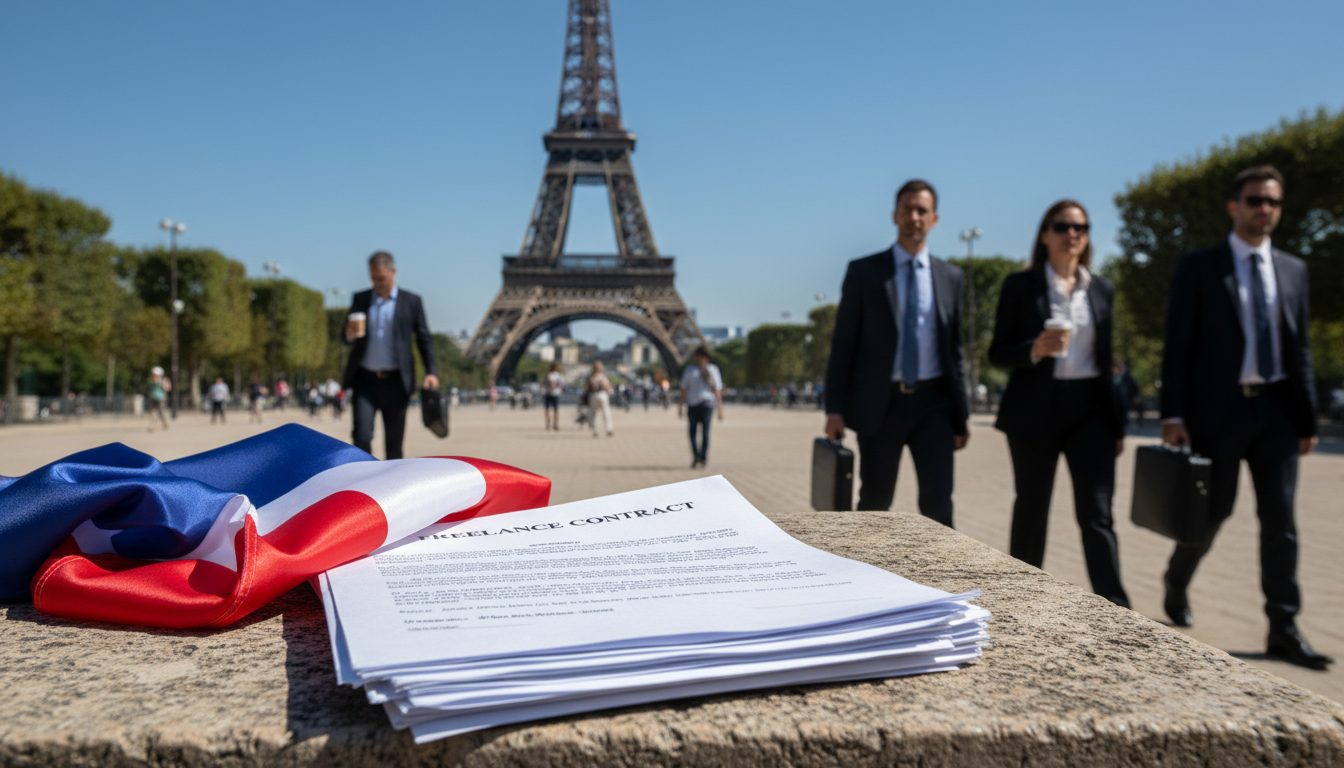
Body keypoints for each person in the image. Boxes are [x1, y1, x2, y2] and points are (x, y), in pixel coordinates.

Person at [1159, 165, 1331, 669]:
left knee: (1281, 521)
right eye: (1255, 200)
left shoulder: (1294, 270)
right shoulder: (1200, 266)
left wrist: (1307, 420)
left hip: (1277, 411)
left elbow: (1300, 350)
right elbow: (1179, 346)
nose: (1265, 209)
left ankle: (1284, 626)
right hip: (1219, 412)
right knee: (1213, 513)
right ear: (1234, 207)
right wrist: (1173, 414)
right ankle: (1176, 580)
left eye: (1273, 202)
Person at [988, 199, 1129, 608]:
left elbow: (1106, 361)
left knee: (1097, 512)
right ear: (1045, 234)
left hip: (1092, 410)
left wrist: (1117, 425)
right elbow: (997, 351)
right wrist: (1032, 349)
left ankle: (1116, 604)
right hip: (1035, 408)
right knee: (1032, 506)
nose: (1073, 234)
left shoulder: (1101, 288)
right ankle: (1020, 597)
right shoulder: (1020, 285)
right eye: (1063, 226)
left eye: (1081, 228)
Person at [823, 179, 969, 525]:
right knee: (875, 501)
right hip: (881, 404)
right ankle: (863, 575)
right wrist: (834, 409)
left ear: (934, 218)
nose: (914, 216)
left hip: (934, 404)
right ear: (894, 215)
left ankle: (942, 578)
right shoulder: (864, 272)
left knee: (938, 505)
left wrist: (961, 417)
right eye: (908, 209)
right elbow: (843, 344)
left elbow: (955, 352)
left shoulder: (951, 277)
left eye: (922, 210)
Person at [342, 251, 439, 460]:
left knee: (394, 444)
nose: (377, 283)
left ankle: (389, 490)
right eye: (373, 278)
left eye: (381, 278)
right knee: (361, 436)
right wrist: (348, 335)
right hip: (364, 380)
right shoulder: (361, 298)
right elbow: (346, 334)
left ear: (393, 272)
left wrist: (432, 371)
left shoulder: (412, 301)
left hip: (396, 382)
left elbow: (424, 339)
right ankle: (363, 483)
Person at [678, 345, 724, 468]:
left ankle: (703, 457)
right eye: (696, 356)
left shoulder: (713, 370)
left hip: (707, 404)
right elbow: (684, 389)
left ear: (705, 357)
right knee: (692, 433)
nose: (697, 359)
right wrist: (680, 406)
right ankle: (696, 456)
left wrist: (720, 409)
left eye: (700, 357)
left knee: (705, 433)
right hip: (693, 405)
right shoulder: (689, 370)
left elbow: (717, 391)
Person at [586, 361, 614, 437]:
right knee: (606, 412)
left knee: (594, 414)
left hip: (593, 395)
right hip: (602, 395)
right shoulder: (602, 377)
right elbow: (607, 388)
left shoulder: (591, 377)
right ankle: (609, 429)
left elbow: (586, 389)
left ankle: (595, 430)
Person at [147, 367, 169, 432]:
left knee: (161, 412)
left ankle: (165, 423)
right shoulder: (150, 380)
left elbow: (167, 388)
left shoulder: (163, 380)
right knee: (153, 411)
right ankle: (153, 426)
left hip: (161, 398)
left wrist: (162, 384)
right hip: (153, 397)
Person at [544, 363, 565, 431]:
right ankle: (555, 423)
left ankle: (549, 421)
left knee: (547, 409)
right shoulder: (559, 376)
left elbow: (544, 384)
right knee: (555, 410)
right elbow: (562, 384)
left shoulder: (548, 375)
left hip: (548, 393)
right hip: (555, 393)